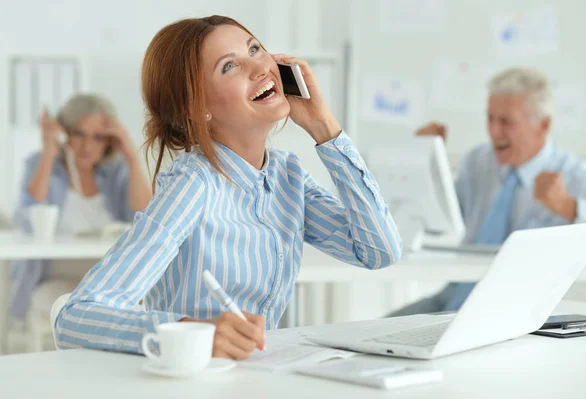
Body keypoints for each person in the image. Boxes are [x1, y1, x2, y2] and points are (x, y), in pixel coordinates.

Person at [54, 16, 403, 359]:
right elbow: (77, 317)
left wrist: (325, 127)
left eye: (255, 49)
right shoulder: (193, 185)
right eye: (229, 67)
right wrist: (192, 333)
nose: (258, 68)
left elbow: (378, 250)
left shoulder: (287, 177)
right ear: (197, 107)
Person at [389, 67, 586, 317]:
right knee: (371, 339)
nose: (494, 131)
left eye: (506, 122)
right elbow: (436, 223)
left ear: (543, 125)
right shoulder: (478, 162)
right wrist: (426, 163)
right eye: (490, 118)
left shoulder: (574, 176)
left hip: (519, 312)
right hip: (454, 297)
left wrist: (571, 208)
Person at [10, 94, 152, 332]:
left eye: (98, 137)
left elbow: (145, 216)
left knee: (140, 304)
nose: (88, 146)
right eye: (79, 134)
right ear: (65, 134)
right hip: (57, 276)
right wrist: (48, 152)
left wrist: (131, 156)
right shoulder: (42, 164)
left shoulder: (115, 171)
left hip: (109, 276)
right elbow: (27, 217)